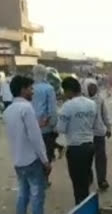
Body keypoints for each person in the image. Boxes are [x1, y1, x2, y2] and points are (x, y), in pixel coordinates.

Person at [3, 75, 51, 214]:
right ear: (23, 90)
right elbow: (35, 138)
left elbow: (20, 131)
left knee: (23, 194)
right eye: (30, 88)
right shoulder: (26, 108)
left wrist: (38, 125)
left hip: (18, 161)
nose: (33, 91)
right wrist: (45, 161)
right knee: (37, 196)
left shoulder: (8, 111)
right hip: (32, 160)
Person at [56, 77, 97, 205]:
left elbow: (60, 128)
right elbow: (94, 124)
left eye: (64, 91)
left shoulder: (67, 106)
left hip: (75, 148)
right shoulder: (92, 104)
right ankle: (85, 204)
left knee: (78, 183)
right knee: (85, 179)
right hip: (90, 145)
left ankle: (82, 207)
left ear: (68, 90)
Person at [32, 65, 59, 169]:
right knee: (47, 155)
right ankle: (43, 179)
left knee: (35, 155)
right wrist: (54, 125)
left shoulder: (29, 87)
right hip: (46, 127)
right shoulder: (49, 88)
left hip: (32, 126)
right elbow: (52, 109)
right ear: (45, 74)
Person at [87, 82, 112, 191]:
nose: (92, 90)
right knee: (87, 158)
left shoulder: (100, 100)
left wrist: (109, 128)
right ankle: (88, 177)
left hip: (99, 133)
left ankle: (102, 180)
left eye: (94, 88)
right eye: (90, 88)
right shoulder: (82, 101)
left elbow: (105, 115)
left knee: (101, 158)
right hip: (86, 135)